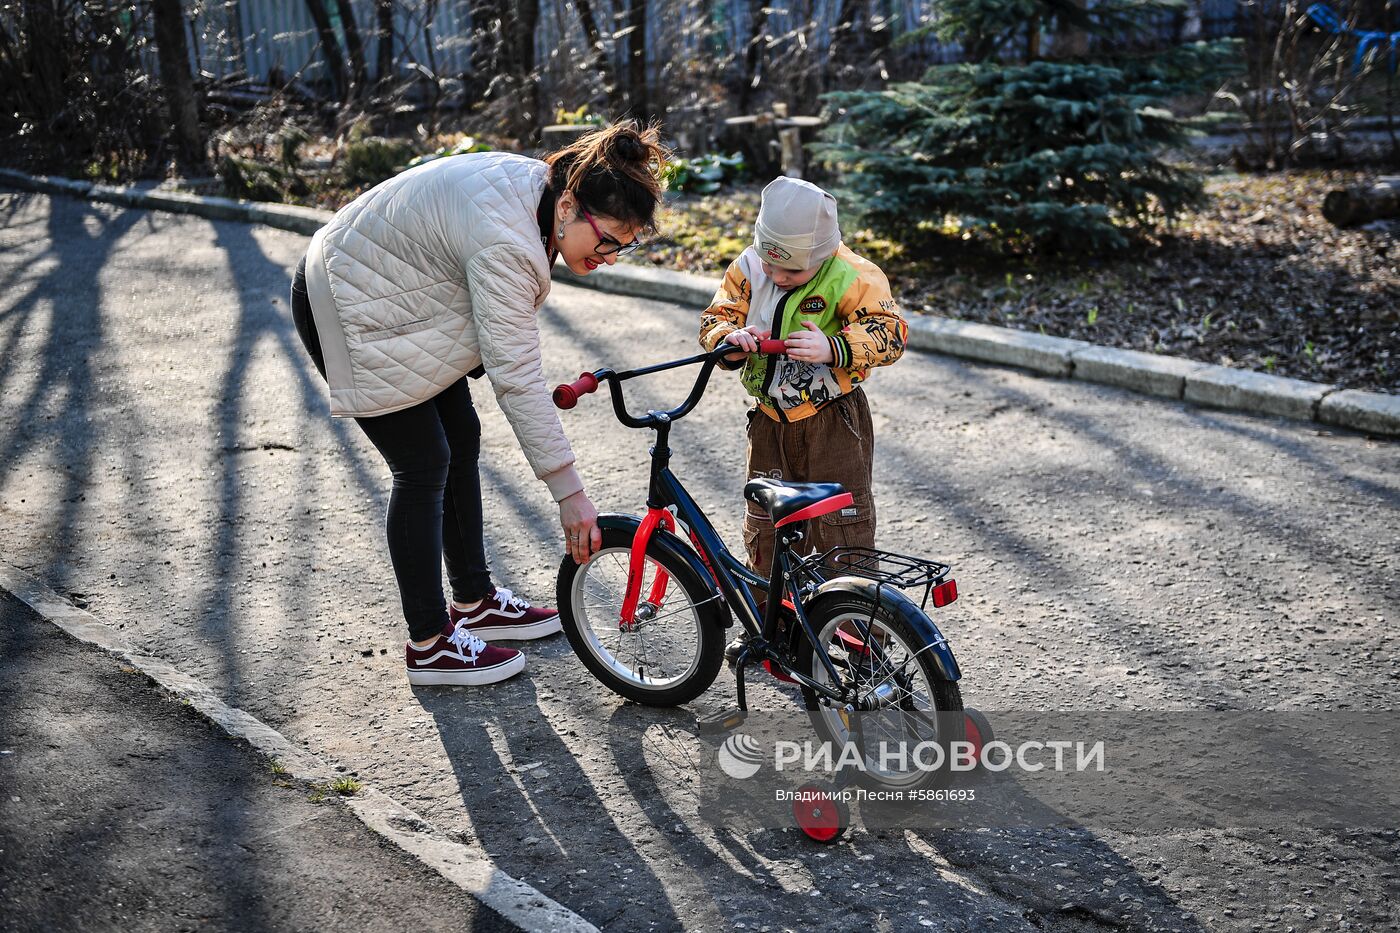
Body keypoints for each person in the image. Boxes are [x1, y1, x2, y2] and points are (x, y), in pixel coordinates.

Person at [290, 123, 670, 687]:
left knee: (460, 437)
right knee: (422, 465)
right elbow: (515, 375)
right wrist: (570, 493)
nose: (612, 256)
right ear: (569, 206)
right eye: (608, 240)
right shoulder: (511, 241)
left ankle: (475, 601)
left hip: (398, 299)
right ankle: (428, 642)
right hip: (349, 304)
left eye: (625, 245)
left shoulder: (542, 193)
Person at [698, 176, 908, 588]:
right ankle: (771, 630)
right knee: (767, 525)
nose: (776, 275)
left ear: (824, 254)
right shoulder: (747, 268)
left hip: (833, 419)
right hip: (769, 420)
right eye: (769, 262)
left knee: (843, 524)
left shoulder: (853, 276)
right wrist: (730, 340)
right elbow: (716, 317)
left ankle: (860, 638)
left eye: (791, 268)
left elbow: (891, 333)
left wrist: (835, 348)